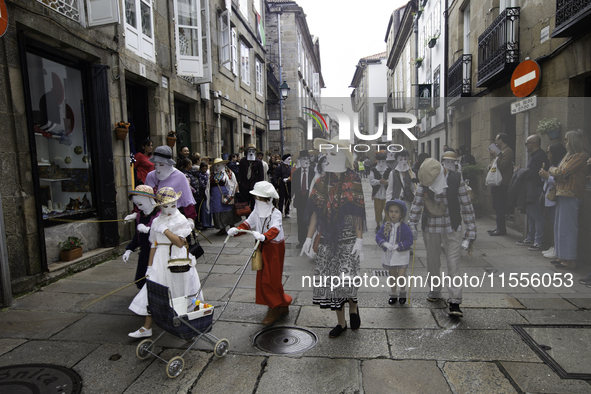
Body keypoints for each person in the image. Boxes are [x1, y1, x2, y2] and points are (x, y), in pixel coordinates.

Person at [301, 137, 365, 338]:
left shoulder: (353, 179)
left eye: (333, 153)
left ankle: (353, 306)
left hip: (348, 236)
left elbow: (358, 212)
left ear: (343, 157)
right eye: (327, 153)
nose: (328, 156)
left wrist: (359, 239)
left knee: (348, 278)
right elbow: (314, 212)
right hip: (328, 236)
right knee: (333, 283)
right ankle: (341, 322)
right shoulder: (321, 180)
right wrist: (309, 238)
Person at [128, 187, 203, 338]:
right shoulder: (156, 220)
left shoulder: (181, 219)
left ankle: (189, 324)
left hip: (177, 258)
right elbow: (154, 245)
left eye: (173, 205)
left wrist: (165, 230)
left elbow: (180, 243)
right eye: (165, 206)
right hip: (160, 259)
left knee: (181, 288)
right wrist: (149, 267)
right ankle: (146, 327)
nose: (169, 209)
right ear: (159, 206)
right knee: (154, 289)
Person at [408, 158, 477, 317]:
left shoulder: (456, 178)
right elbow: (417, 204)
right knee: (433, 261)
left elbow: (466, 205)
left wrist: (471, 231)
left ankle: (454, 300)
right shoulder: (425, 180)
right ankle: (434, 289)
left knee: (453, 263)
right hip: (430, 227)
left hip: (452, 226)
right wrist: (412, 224)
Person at [228, 181, 292, 324]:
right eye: (256, 198)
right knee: (263, 278)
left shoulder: (275, 212)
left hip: (274, 247)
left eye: (259, 198)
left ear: (267, 199)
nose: (257, 201)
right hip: (261, 246)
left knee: (271, 278)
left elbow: (275, 227)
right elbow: (248, 224)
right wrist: (236, 230)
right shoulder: (256, 211)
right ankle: (281, 304)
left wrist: (265, 236)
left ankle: (274, 308)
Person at [548, 130, 589, 269]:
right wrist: (556, 171)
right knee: (559, 226)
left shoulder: (581, 156)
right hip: (562, 193)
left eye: (567, 139)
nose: (565, 142)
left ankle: (569, 258)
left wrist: (552, 170)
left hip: (571, 194)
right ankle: (562, 255)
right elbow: (560, 172)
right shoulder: (569, 156)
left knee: (568, 227)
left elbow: (562, 172)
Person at [376, 200, 413, 305]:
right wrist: (384, 243)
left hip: (401, 255)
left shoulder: (405, 227)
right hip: (389, 255)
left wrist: (399, 245)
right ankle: (393, 293)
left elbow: (409, 240)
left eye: (396, 212)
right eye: (391, 211)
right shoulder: (386, 225)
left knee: (401, 275)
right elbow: (378, 236)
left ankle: (402, 291)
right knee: (392, 275)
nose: (393, 214)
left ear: (401, 214)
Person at [145, 146, 197, 220]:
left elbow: (187, 201)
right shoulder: (150, 176)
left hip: (175, 218)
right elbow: (144, 197)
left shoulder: (180, 177)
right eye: (155, 164)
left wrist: (190, 219)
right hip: (154, 218)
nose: (158, 168)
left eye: (161, 164)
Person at [123, 185, 159, 289]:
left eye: (140, 204)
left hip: (156, 252)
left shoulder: (158, 215)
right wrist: (129, 249)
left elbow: (162, 233)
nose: (139, 207)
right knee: (142, 281)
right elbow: (137, 236)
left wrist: (148, 230)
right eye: (137, 204)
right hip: (144, 253)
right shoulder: (140, 215)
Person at [516, 134, 548, 251]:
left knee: (536, 215)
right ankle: (531, 237)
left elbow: (534, 173)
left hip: (536, 188)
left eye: (526, 144)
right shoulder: (534, 155)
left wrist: (521, 171)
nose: (526, 146)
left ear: (533, 143)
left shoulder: (539, 156)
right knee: (530, 214)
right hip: (531, 188)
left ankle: (538, 241)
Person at [538, 143, 567, 259]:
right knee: (553, 223)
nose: (547, 154)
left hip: (555, 197)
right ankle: (554, 246)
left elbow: (558, 181)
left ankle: (557, 248)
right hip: (548, 196)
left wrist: (547, 176)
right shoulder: (552, 165)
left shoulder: (560, 166)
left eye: (548, 151)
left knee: (556, 223)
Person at [488, 133, 514, 236]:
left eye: (496, 139)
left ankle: (501, 229)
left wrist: (495, 156)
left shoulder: (508, 151)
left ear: (501, 140)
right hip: (497, 183)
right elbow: (495, 164)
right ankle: (499, 227)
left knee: (500, 207)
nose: (495, 141)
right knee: (497, 206)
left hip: (502, 183)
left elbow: (503, 165)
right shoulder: (501, 151)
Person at [291, 150, 316, 248]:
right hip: (300, 199)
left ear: (309, 160)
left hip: (310, 199)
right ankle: (302, 241)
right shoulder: (296, 173)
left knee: (311, 221)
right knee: (300, 221)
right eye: (303, 159)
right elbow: (293, 187)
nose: (305, 161)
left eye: (306, 159)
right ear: (300, 160)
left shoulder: (313, 171)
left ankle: (311, 241)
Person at [209, 158, 238, 235]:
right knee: (218, 210)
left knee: (228, 209)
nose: (217, 167)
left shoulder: (228, 173)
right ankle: (222, 228)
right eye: (215, 165)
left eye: (218, 165)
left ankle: (232, 225)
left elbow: (233, 182)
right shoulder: (211, 174)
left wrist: (233, 192)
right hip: (215, 196)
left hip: (226, 193)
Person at [386, 149, 416, 222]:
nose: (403, 161)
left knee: (406, 221)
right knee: (396, 222)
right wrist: (388, 203)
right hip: (396, 201)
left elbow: (414, 189)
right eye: (401, 159)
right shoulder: (392, 173)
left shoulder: (411, 174)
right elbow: (390, 189)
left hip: (407, 202)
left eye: (405, 159)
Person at [369, 152, 390, 232]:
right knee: (378, 210)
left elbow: (392, 180)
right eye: (379, 161)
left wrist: (387, 182)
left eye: (383, 161)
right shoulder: (373, 170)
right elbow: (371, 181)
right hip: (377, 195)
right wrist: (379, 181)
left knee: (387, 210)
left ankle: (387, 225)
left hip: (387, 195)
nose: (381, 163)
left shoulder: (389, 170)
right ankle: (378, 225)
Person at [238, 144, 265, 209]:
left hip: (254, 185)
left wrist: (260, 185)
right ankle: (247, 216)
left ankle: (253, 214)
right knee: (245, 202)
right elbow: (240, 172)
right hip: (245, 185)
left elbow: (261, 174)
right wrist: (239, 183)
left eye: (252, 151)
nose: (251, 153)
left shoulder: (258, 162)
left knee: (254, 202)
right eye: (249, 151)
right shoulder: (243, 161)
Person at [273, 154, 292, 218]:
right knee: (281, 199)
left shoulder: (290, 167)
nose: (290, 161)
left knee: (288, 198)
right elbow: (275, 177)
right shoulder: (279, 167)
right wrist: (280, 181)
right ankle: (280, 212)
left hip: (289, 185)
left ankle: (287, 212)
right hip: (282, 186)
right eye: (288, 159)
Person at [197, 162, 212, 229]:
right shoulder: (200, 175)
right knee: (204, 209)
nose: (205, 170)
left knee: (208, 208)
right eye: (203, 169)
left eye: (206, 169)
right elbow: (201, 184)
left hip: (208, 193)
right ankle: (205, 223)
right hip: (203, 194)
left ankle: (209, 223)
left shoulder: (207, 174)